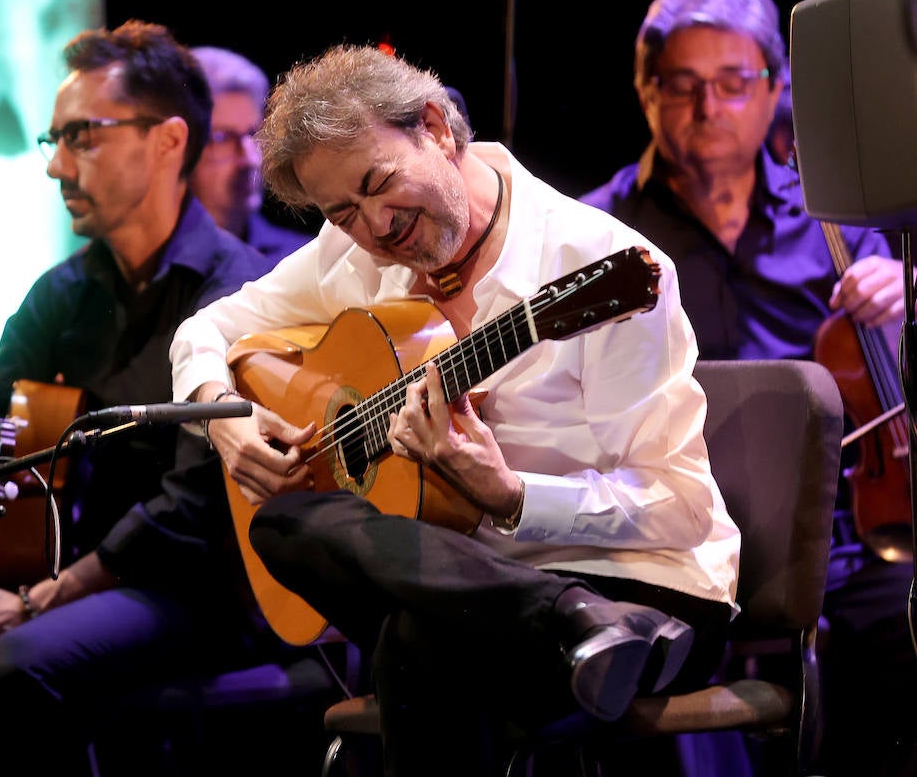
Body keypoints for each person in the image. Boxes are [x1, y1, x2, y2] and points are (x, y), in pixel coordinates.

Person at [168, 43, 742, 775]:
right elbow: (207, 328)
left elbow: (680, 509)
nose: (374, 228)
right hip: (480, 588)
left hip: (644, 598)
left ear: (437, 127)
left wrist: (511, 496)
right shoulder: (352, 256)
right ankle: (558, 618)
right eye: (342, 212)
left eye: (379, 184)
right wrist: (224, 413)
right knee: (280, 522)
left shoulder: (597, 261)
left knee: (416, 644)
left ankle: (573, 615)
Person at [0, 20, 300, 777]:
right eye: (54, 141)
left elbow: (194, 504)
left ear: (168, 141)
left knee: (19, 664)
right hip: (56, 585)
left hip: (196, 593)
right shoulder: (62, 296)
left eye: (82, 136)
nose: (57, 167)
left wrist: (43, 602)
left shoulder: (237, 293)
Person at [580, 0, 917, 777]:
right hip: (666, 539)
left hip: (838, 536)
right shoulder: (593, 237)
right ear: (644, 90)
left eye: (735, 84)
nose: (710, 107)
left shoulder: (840, 221)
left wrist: (908, 294)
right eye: (684, 85)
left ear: (775, 91)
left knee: (907, 635)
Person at [190, 45, 315, 263]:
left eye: (254, 133)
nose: (249, 159)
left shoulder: (302, 261)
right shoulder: (149, 264)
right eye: (222, 138)